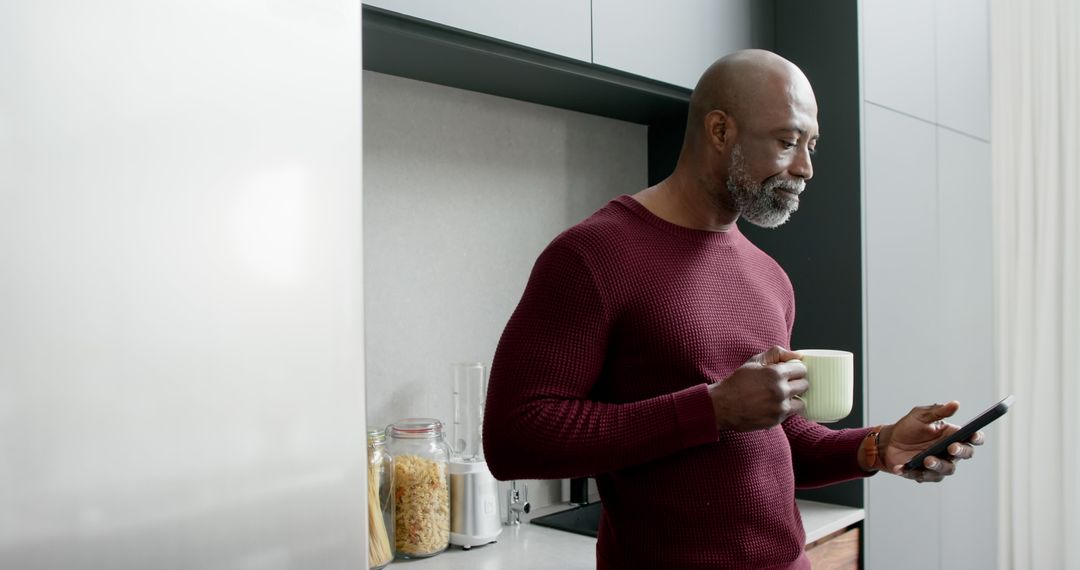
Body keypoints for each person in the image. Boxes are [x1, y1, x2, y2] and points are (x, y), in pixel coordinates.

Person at [481, 49, 983, 570]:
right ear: (719, 131)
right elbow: (516, 437)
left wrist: (878, 446)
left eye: (811, 147)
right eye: (788, 142)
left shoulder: (770, 276)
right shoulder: (592, 256)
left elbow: (773, 437)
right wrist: (713, 408)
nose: (806, 169)